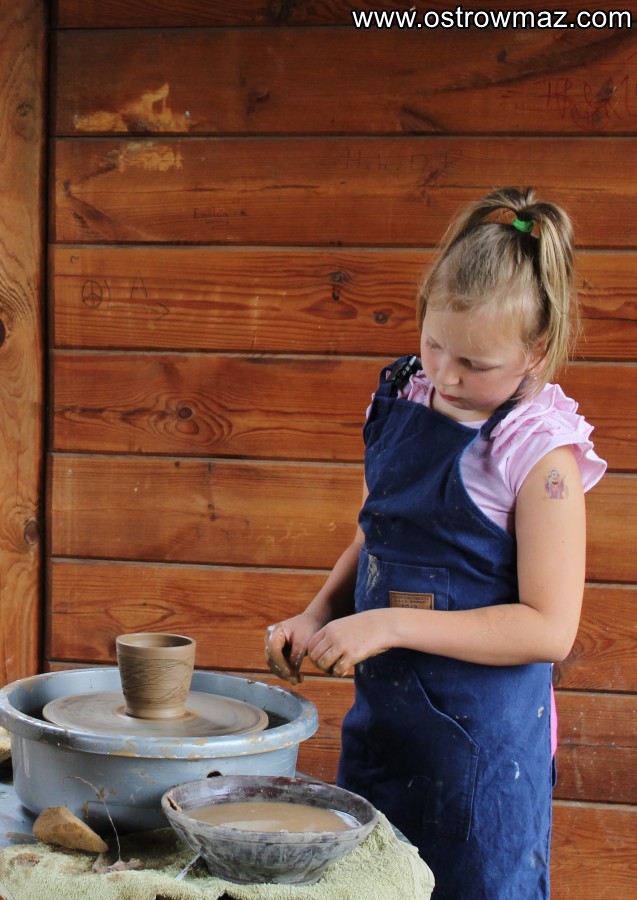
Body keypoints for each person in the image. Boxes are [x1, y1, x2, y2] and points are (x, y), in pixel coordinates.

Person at [265, 187, 606, 899]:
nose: (446, 374)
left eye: (475, 363)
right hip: (387, 735)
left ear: (536, 350)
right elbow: (377, 535)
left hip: (485, 757)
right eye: (434, 344)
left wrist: (388, 624)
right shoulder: (407, 394)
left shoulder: (539, 455)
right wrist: (318, 613)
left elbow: (549, 629)